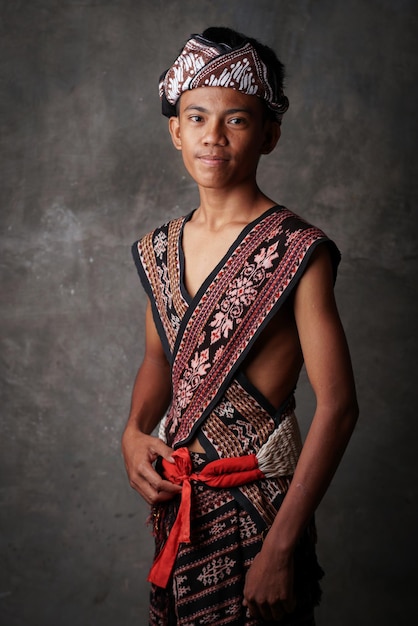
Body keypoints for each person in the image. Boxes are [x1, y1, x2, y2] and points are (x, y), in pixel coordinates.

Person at [122, 26, 358, 626]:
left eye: (238, 120)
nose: (214, 136)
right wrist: (132, 431)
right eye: (197, 117)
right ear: (176, 131)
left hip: (262, 512)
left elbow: (338, 406)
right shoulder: (160, 248)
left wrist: (282, 546)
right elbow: (158, 360)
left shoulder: (298, 250)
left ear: (270, 134)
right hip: (182, 506)